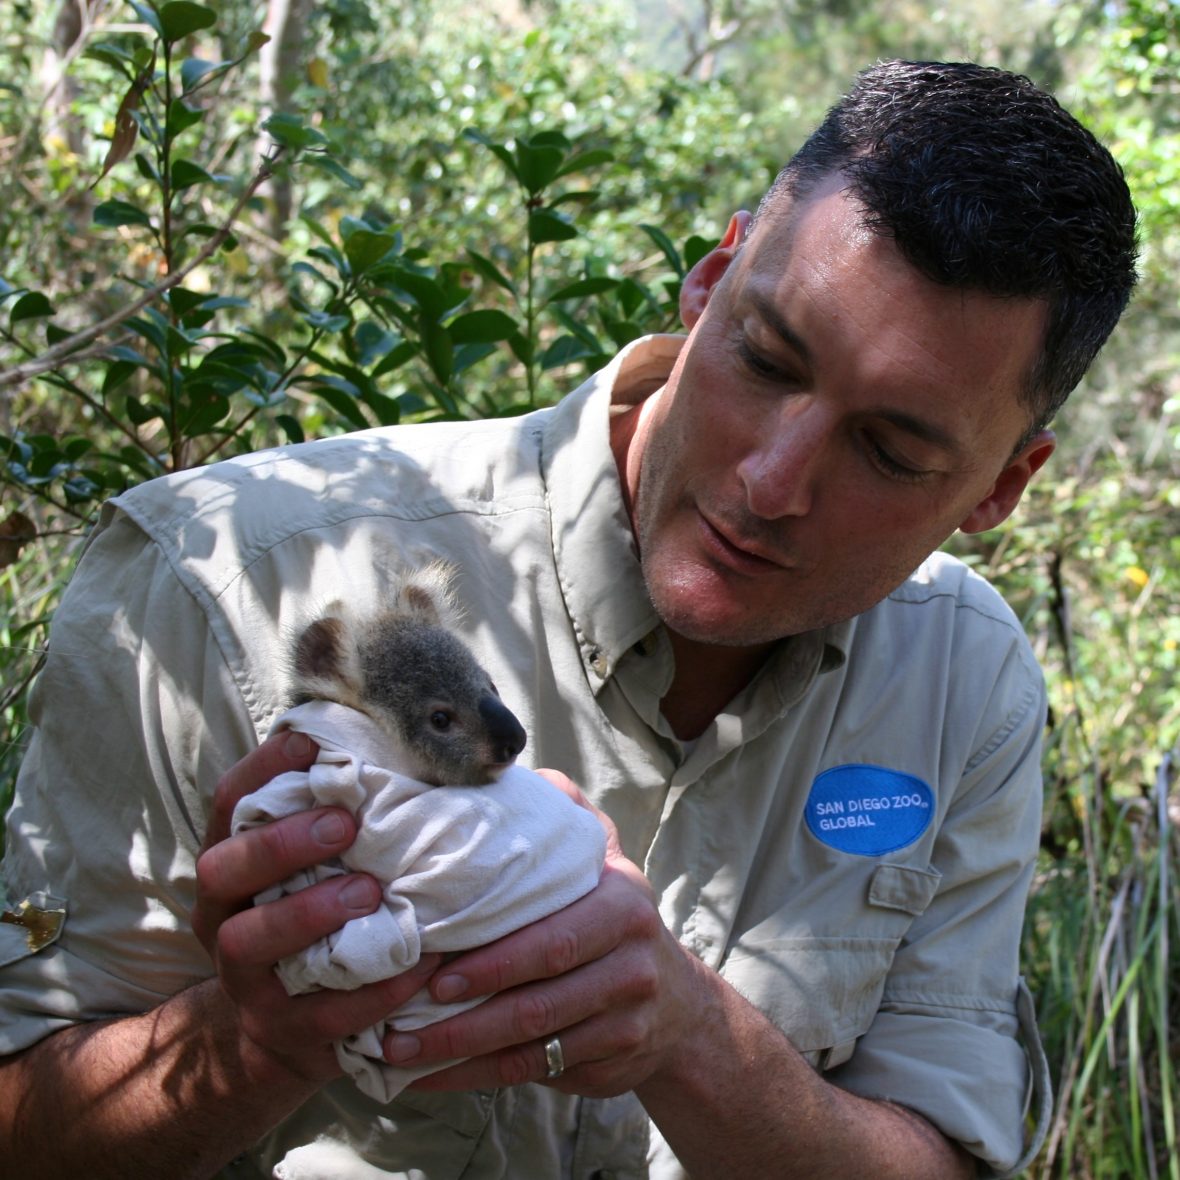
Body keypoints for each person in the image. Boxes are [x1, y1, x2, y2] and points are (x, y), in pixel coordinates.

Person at [0, 59, 1137, 1180]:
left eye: (888, 450)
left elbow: (938, 1149)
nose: (770, 481)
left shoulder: (962, 680)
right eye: (764, 356)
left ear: (1000, 486)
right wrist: (254, 1037)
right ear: (707, 284)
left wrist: (693, 1038)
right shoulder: (221, 579)